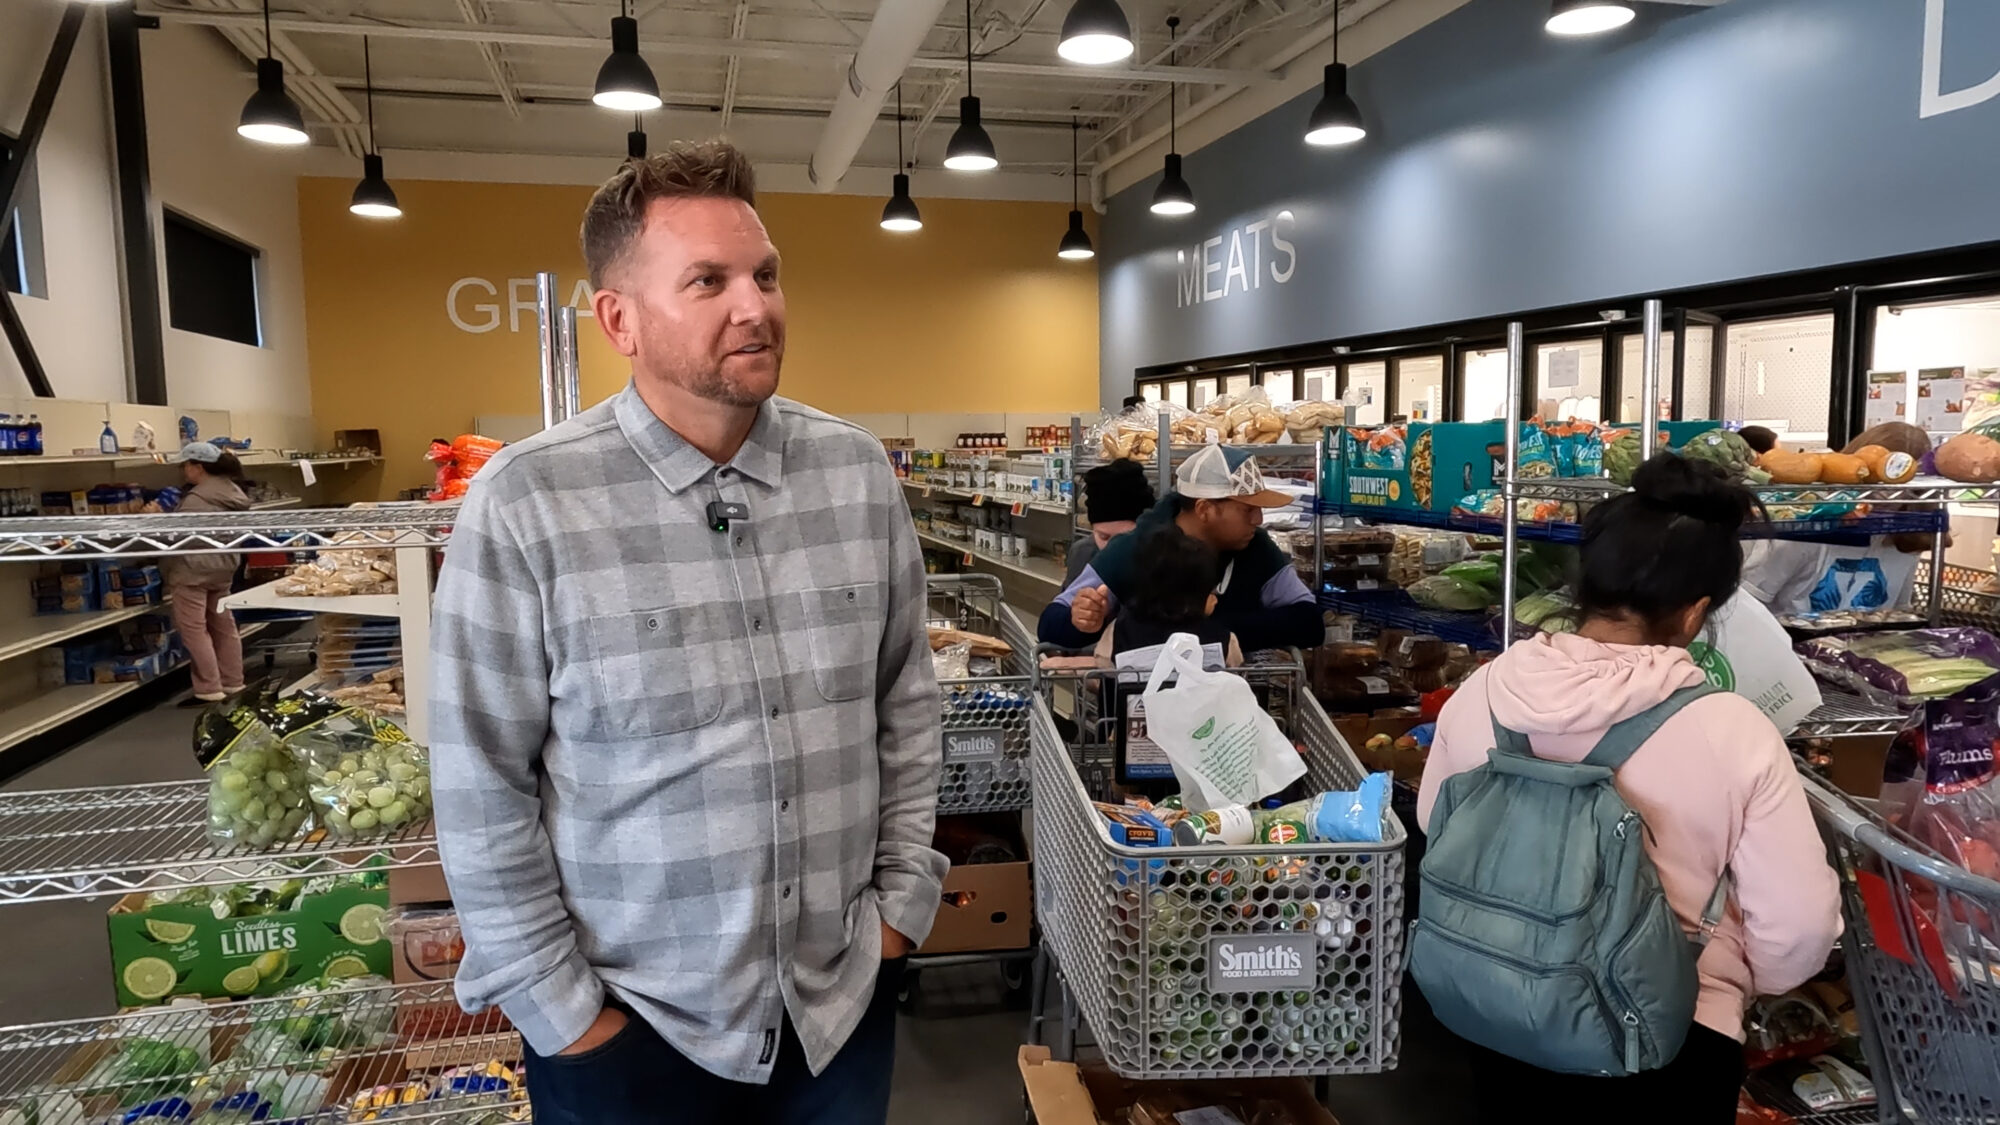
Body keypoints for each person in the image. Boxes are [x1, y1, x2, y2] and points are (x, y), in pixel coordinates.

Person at [429, 142, 946, 1125]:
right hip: (632, 1028)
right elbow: (477, 779)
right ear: (618, 318)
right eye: (706, 281)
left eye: (764, 274)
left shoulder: (853, 476)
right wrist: (564, 1015)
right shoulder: (528, 501)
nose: (753, 305)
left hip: (835, 1011)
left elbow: (905, 707)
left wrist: (897, 913)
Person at [1416, 452, 1841, 1123]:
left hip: (1494, 1001)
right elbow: (1798, 928)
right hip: (1667, 1036)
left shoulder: (1486, 692)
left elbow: (1434, 821)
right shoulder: (1729, 728)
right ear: (1697, 613)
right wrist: (1736, 979)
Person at [1039, 444, 1322, 653]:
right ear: (1205, 509)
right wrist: (1082, 619)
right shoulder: (1135, 548)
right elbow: (1050, 624)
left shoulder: (1256, 547)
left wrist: (1210, 627)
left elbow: (1308, 621)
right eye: (1248, 509)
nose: (1258, 519)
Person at [160, 442, 249, 703]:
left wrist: (157, 518)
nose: (183, 471)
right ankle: (234, 682)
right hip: (223, 568)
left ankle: (209, 688)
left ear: (198, 467)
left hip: (192, 571)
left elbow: (176, 539)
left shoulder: (196, 500)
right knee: (224, 627)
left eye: (185, 465)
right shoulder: (233, 492)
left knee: (195, 630)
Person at [1095, 523, 1242, 668]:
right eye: (1210, 591)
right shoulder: (1222, 638)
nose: (1215, 599)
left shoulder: (1120, 629)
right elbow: (1235, 666)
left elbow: (1103, 661)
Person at [1065, 457, 1155, 586]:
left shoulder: (1168, 561)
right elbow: (1065, 600)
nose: (1113, 548)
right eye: (1104, 537)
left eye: (1124, 538)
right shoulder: (1082, 555)